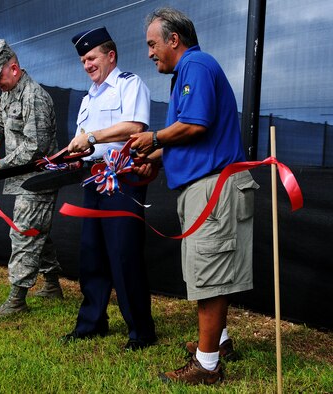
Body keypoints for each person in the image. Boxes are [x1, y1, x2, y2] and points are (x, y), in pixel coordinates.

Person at [131, 8, 259, 385]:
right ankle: (219, 342)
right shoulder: (188, 72)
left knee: (211, 272)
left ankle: (207, 366)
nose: (150, 53)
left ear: (174, 40)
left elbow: (195, 124)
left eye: (153, 44)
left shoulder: (196, 65)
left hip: (214, 188)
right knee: (207, 271)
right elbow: (190, 134)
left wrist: (153, 139)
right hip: (204, 188)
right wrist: (154, 157)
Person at [61, 27, 156, 351]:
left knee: (124, 254)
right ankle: (92, 323)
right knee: (92, 253)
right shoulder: (88, 97)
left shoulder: (130, 85)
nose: (86, 64)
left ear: (110, 55)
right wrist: (75, 155)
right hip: (93, 180)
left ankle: (141, 332)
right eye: (83, 60)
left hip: (123, 179)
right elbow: (83, 142)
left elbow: (134, 128)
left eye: (91, 57)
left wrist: (91, 138)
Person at [0, 39, 63, 317]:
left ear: (13, 68)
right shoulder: (8, 94)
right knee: (38, 231)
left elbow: (35, 147)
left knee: (24, 232)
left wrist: (0, 163)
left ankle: (16, 300)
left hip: (38, 179)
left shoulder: (34, 97)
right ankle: (51, 285)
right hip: (21, 178)